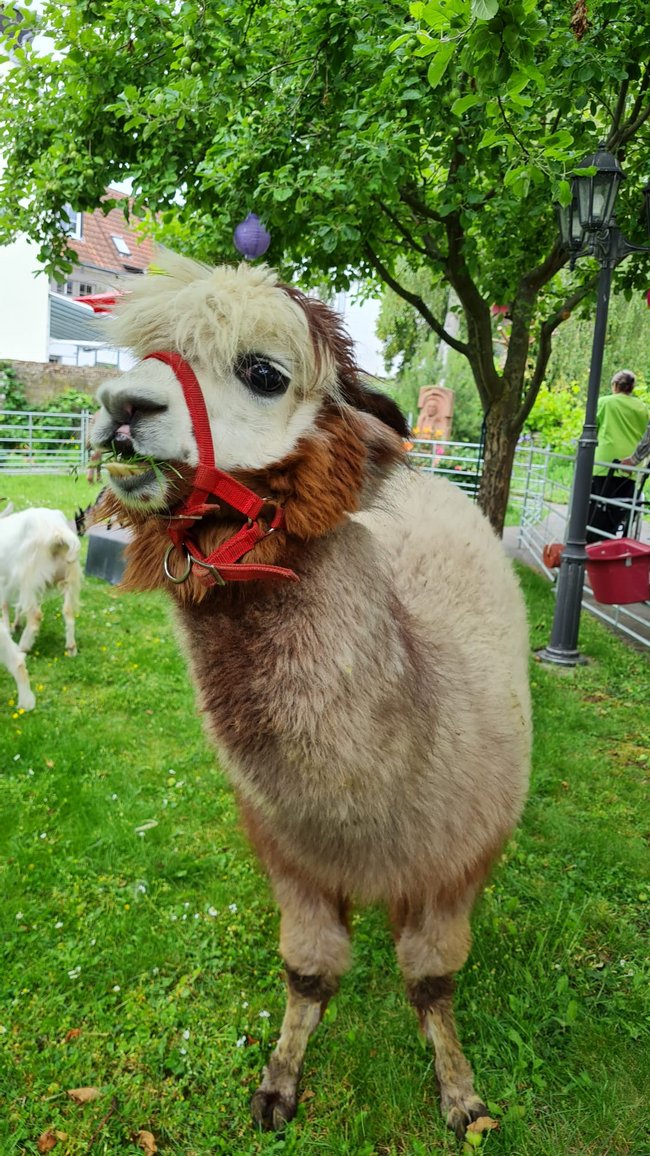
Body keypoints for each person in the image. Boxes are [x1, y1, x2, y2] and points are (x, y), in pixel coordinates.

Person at [587, 370, 649, 542]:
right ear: (631, 388)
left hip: (604, 462)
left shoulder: (604, 402)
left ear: (615, 385)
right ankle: (609, 541)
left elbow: (592, 428)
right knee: (618, 508)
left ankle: (592, 542)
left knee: (597, 506)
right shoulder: (643, 408)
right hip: (630, 465)